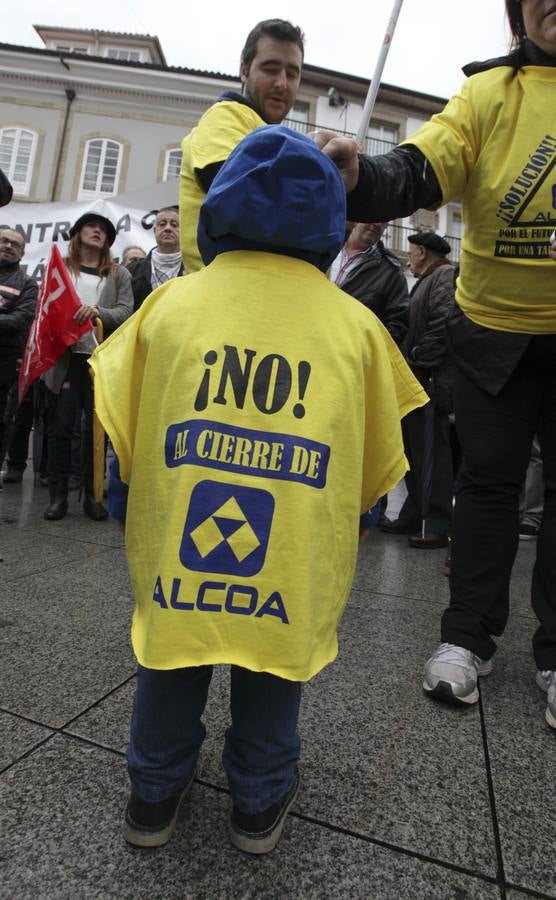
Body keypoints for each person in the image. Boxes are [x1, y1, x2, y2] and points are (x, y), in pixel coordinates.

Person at [89, 126, 426, 854]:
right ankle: (258, 800)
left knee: (170, 653)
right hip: (292, 543)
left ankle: (153, 795)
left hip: (180, 532)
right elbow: (374, 465)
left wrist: (124, 508)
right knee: (274, 664)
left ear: (221, 208)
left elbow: (124, 427)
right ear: (326, 221)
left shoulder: (170, 307)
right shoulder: (357, 328)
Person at [314, 0, 556, 728]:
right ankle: (465, 640)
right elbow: (424, 165)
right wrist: (364, 175)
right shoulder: (490, 93)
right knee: (485, 486)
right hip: (492, 333)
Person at [179, 18, 304, 273]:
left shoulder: (272, 134)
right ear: (244, 69)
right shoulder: (225, 116)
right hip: (225, 298)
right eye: (271, 69)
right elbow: (237, 199)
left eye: (292, 74)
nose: (282, 83)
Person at [43, 212, 133, 521]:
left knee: (97, 432)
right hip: (66, 361)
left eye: (103, 230)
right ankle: (58, 496)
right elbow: (46, 311)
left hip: (101, 363)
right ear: (78, 233)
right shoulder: (59, 271)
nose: (97, 232)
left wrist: (98, 312)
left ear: (108, 240)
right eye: (91, 226)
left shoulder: (119, 274)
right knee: (61, 428)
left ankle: (93, 495)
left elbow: (125, 312)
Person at [381, 231, 455, 548]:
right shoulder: (430, 279)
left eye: (411, 253)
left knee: (432, 453)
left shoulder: (444, 277)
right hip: (421, 379)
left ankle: (436, 522)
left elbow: (442, 323)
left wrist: (417, 359)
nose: (409, 258)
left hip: (431, 381)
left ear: (422, 252)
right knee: (415, 451)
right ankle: (414, 511)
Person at [0, 229, 38, 483]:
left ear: (22, 253)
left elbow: (21, 318)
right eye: (4, 240)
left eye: (15, 244)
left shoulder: (27, 284)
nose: (9, 246)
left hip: (4, 359)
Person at [331, 221, 409, 345]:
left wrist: (365, 349)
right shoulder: (325, 249)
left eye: (384, 220)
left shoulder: (391, 271)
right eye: (374, 216)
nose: (378, 224)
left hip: (352, 354)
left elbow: (397, 324)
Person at [127, 208, 183, 310]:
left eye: (174, 225)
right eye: (162, 224)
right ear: (154, 230)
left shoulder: (193, 267)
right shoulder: (132, 270)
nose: (168, 228)